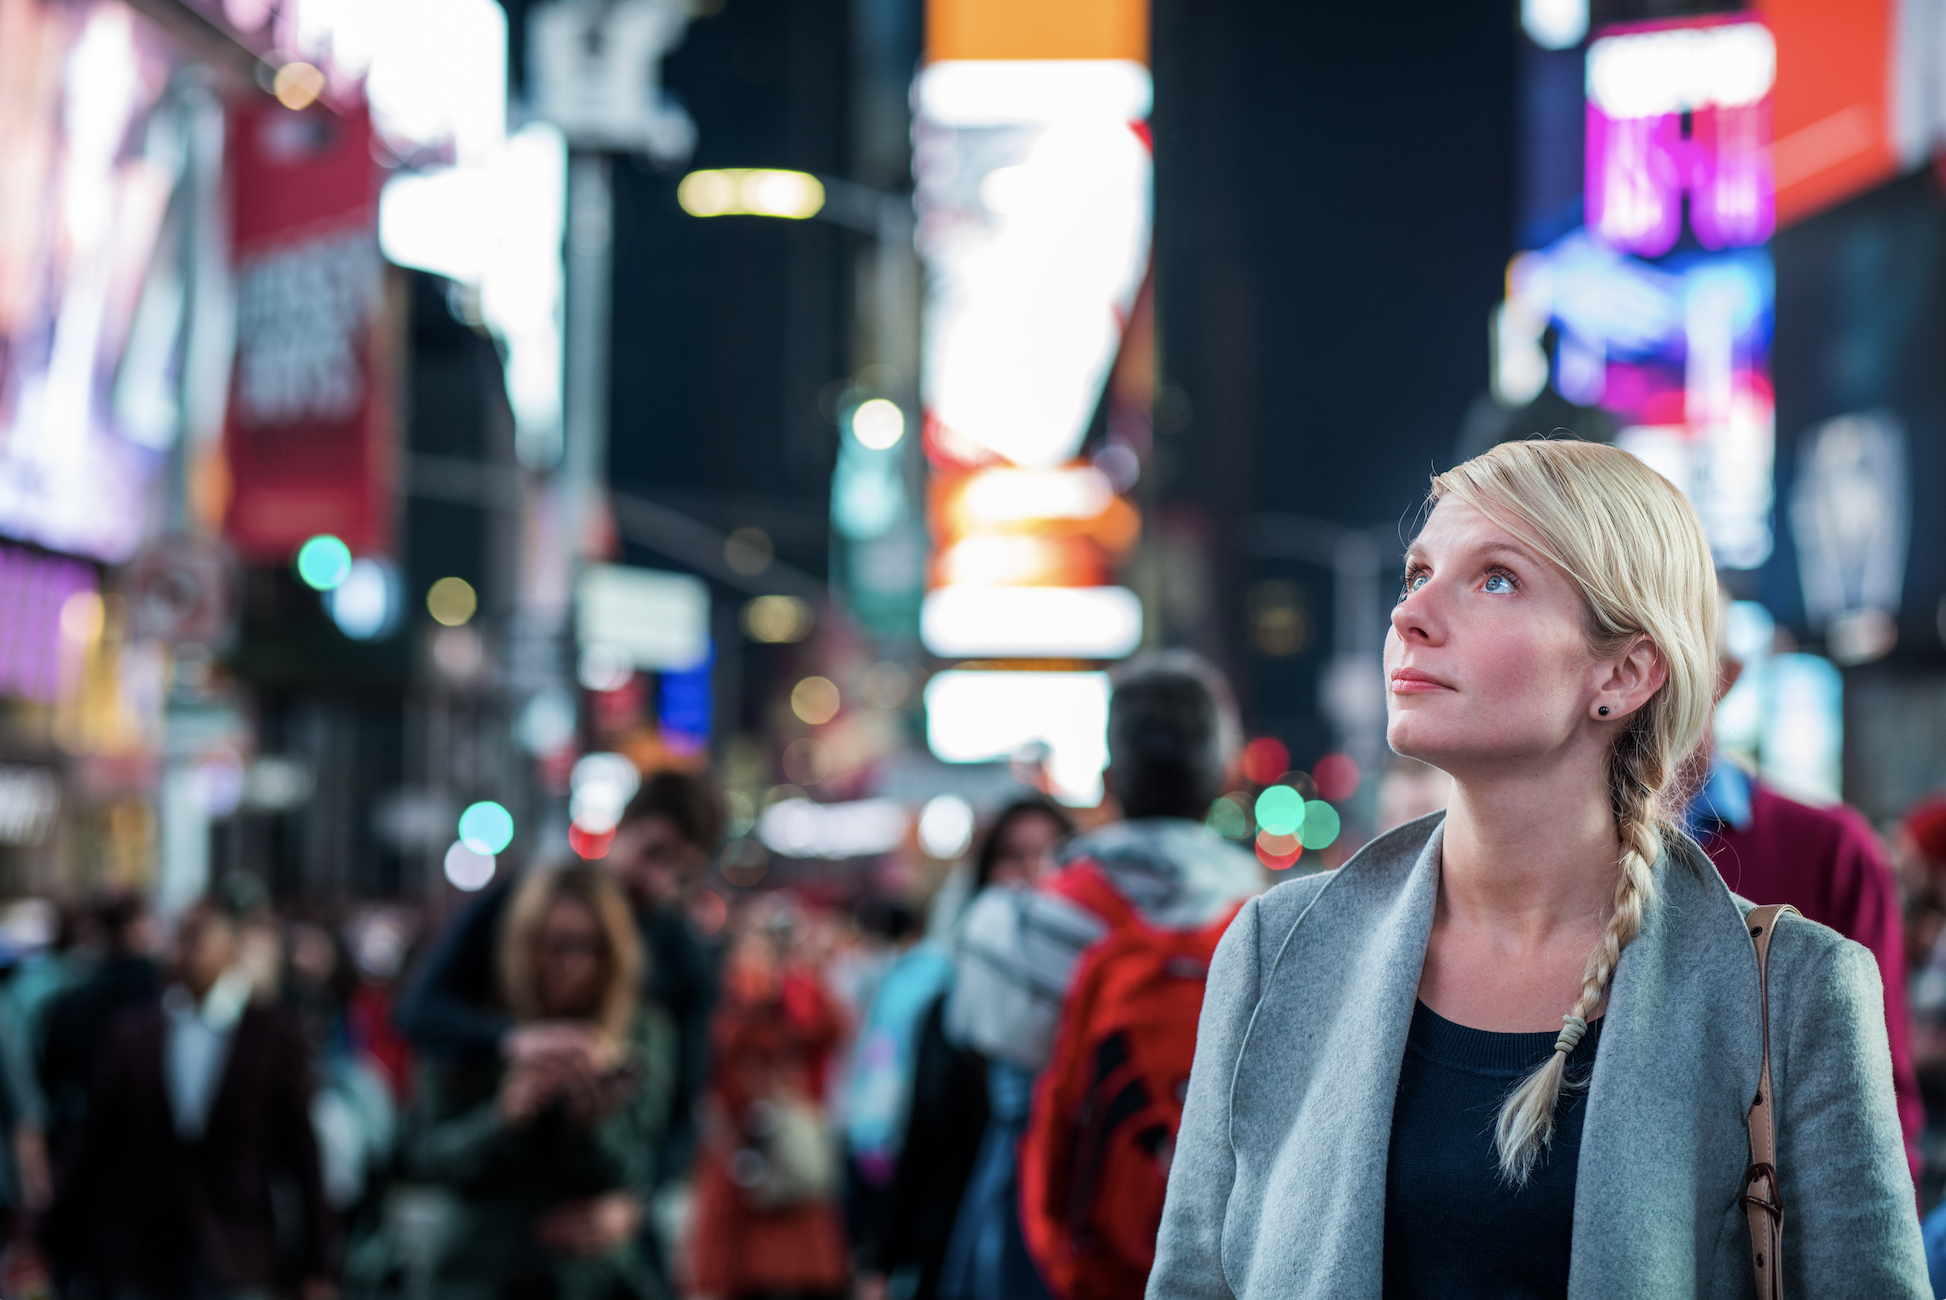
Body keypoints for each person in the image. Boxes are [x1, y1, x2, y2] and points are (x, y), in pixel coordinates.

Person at [1149, 439, 1926, 1298]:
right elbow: (1194, 1279)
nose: (1411, 615)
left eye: (1496, 579)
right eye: (1417, 575)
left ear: (1624, 672)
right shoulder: (1273, 947)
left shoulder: (1800, 990)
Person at [941, 656, 1263, 1300]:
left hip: (1053, 1253)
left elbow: (974, 1039)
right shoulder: (1275, 928)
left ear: (1109, 777)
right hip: (1222, 1245)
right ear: (1223, 777)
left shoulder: (1013, 927)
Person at [398, 772, 721, 1187]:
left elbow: (681, 1109)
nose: (657, 880)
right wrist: (512, 1043)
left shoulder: (681, 961)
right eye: (653, 853)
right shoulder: (521, 902)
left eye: (680, 871)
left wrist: (630, 1205)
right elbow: (420, 1013)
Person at [1687, 635, 1924, 1183]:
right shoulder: (1570, 857)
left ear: (1723, 676)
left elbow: (1880, 1094)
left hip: (1782, 1235)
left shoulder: (1830, 849)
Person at [44, 879, 336, 1300]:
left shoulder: (272, 1035)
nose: (181, 950)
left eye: (197, 937)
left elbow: (302, 1155)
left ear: (231, 948)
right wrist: (43, 1233)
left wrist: (318, 1265)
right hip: (149, 1253)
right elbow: (92, 1140)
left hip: (239, 1253)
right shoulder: (136, 1033)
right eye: (177, 937)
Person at [407, 863, 673, 1300]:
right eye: (554, 944)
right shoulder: (470, 1024)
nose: (570, 964)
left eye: (589, 946)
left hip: (589, 1277)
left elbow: (640, 1165)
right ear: (523, 943)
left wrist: (592, 1123)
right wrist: (505, 1116)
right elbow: (429, 1157)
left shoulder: (642, 1032)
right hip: (477, 1271)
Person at [865, 798, 1074, 1300]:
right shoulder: (949, 1004)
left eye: (1050, 855)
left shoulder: (1099, 1002)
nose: (1033, 872)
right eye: (1014, 855)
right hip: (955, 1255)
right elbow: (921, 1138)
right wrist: (882, 1262)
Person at [686, 895, 849, 1300]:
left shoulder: (796, 993)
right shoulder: (733, 998)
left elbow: (831, 1027)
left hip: (784, 1150)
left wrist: (790, 978)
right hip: (745, 1153)